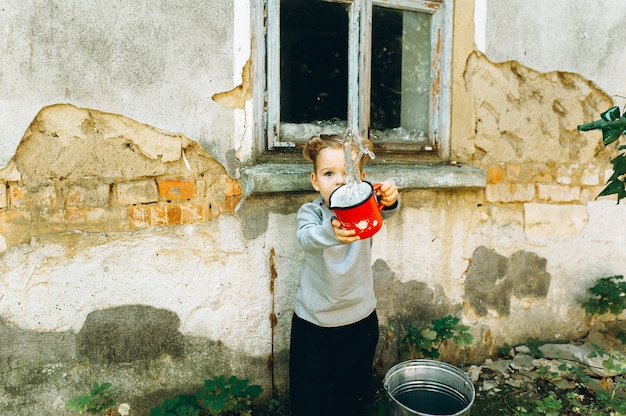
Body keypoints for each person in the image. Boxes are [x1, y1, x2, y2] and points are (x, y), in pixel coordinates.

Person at [289, 134, 400, 416]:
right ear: (315, 180)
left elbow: (388, 209)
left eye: (347, 173)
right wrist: (332, 233)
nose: (338, 181)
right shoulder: (311, 213)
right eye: (328, 173)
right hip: (313, 321)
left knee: (352, 392)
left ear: (361, 178)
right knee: (308, 392)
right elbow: (306, 238)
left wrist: (390, 197)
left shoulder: (366, 207)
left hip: (359, 319)